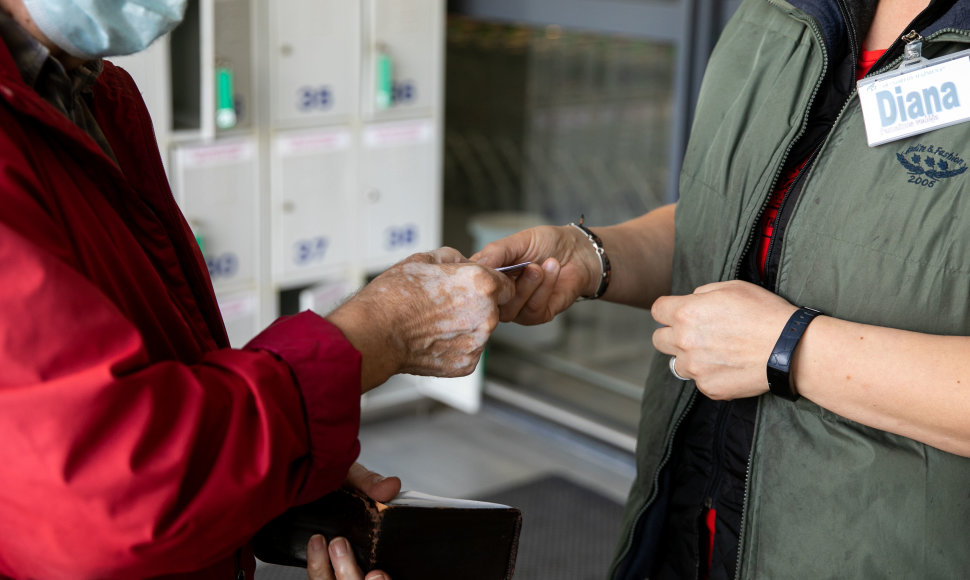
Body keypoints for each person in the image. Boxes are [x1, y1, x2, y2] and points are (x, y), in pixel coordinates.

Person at [0, 1, 513, 579]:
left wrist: (279, 462)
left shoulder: (95, 91)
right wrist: (380, 333)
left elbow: (148, 374)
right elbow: (100, 488)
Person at [474, 0, 970, 577]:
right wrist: (593, 257)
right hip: (685, 528)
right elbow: (750, 223)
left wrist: (789, 349)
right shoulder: (783, 13)